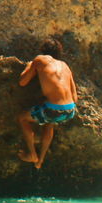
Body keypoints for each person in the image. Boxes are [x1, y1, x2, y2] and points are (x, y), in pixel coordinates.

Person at [16, 38, 78, 169]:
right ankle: (41, 160)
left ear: (43, 50)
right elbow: (75, 97)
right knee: (50, 123)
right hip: (70, 111)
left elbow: (22, 82)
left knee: (22, 118)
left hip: (52, 110)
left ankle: (32, 154)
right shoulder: (65, 65)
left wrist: (29, 66)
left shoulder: (39, 60)